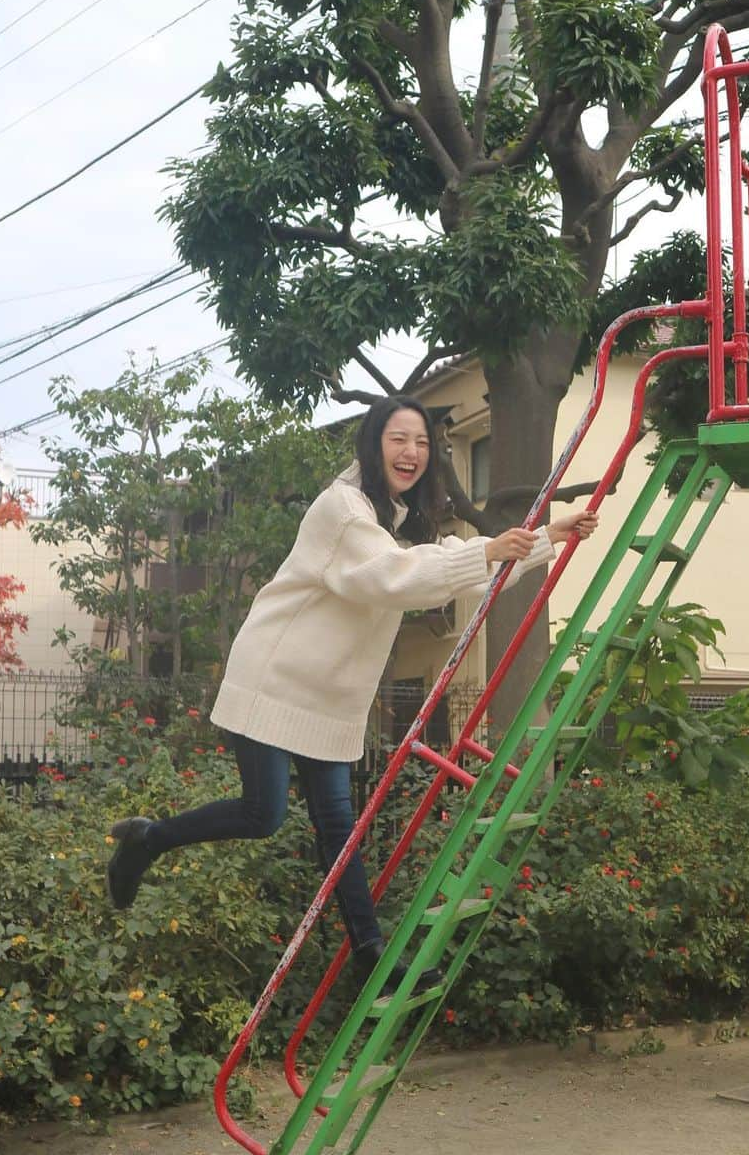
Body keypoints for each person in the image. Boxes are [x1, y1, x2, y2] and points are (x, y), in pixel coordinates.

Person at [105, 395, 598, 992]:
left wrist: (544, 536)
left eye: (421, 442)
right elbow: (395, 577)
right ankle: (146, 840)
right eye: (398, 439)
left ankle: (371, 956)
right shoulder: (342, 511)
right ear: (372, 444)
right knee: (264, 815)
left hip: (330, 696)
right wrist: (491, 547)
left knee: (339, 825)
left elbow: (433, 563)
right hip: (276, 677)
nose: (411, 453)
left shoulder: (386, 519)